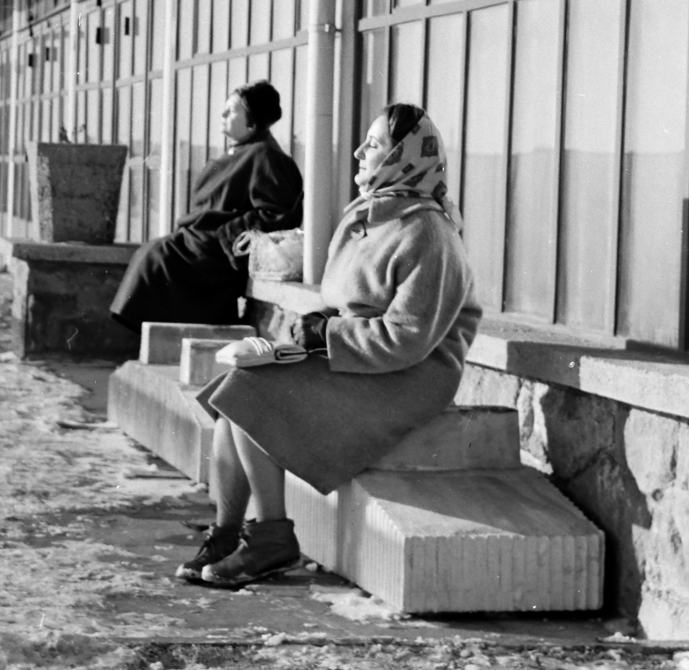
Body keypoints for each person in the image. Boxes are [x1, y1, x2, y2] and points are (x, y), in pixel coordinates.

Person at [178, 102, 482, 587]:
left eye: (376, 144)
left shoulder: (429, 233)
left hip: (409, 377)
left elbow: (409, 339)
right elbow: (351, 303)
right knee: (232, 389)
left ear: (405, 158)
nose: (361, 151)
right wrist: (322, 322)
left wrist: (329, 334)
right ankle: (228, 532)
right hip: (361, 358)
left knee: (252, 393)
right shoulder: (370, 217)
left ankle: (273, 539)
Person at [110, 80, 302, 334]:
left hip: (216, 249)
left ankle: (173, 329)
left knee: (158, 256)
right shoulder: (239, 152)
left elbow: (278, 213)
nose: (223, 115)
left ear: (252, 122)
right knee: (154, 252)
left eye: (232, 110)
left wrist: (224, 236)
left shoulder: (266, 156)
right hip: (197, 239)